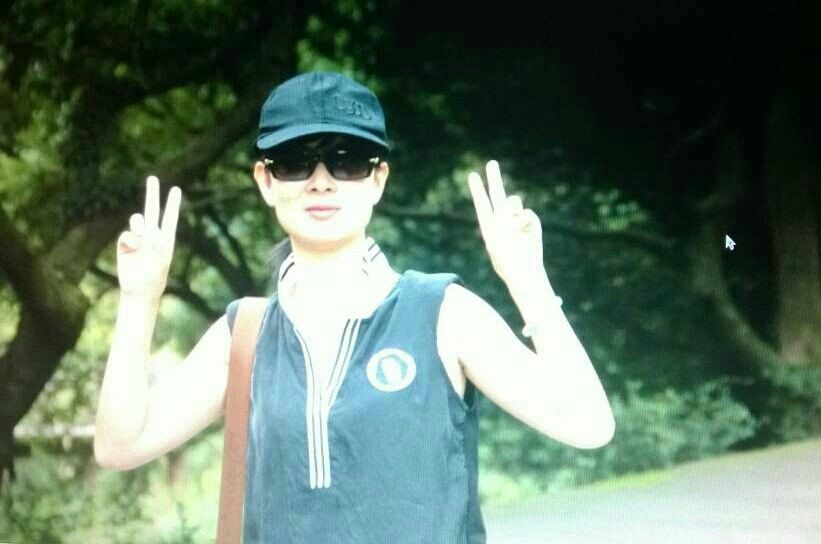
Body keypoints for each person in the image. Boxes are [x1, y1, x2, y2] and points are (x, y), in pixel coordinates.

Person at [93, 71, 615, 543]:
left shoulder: (442, 314)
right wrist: (139, 299)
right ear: (266, 182)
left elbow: (588, 425)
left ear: (377, 180)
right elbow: (119, 446)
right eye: (295, 161)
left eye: (346, 160)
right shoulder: (245, 335)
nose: (321, 180)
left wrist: (527, 280)